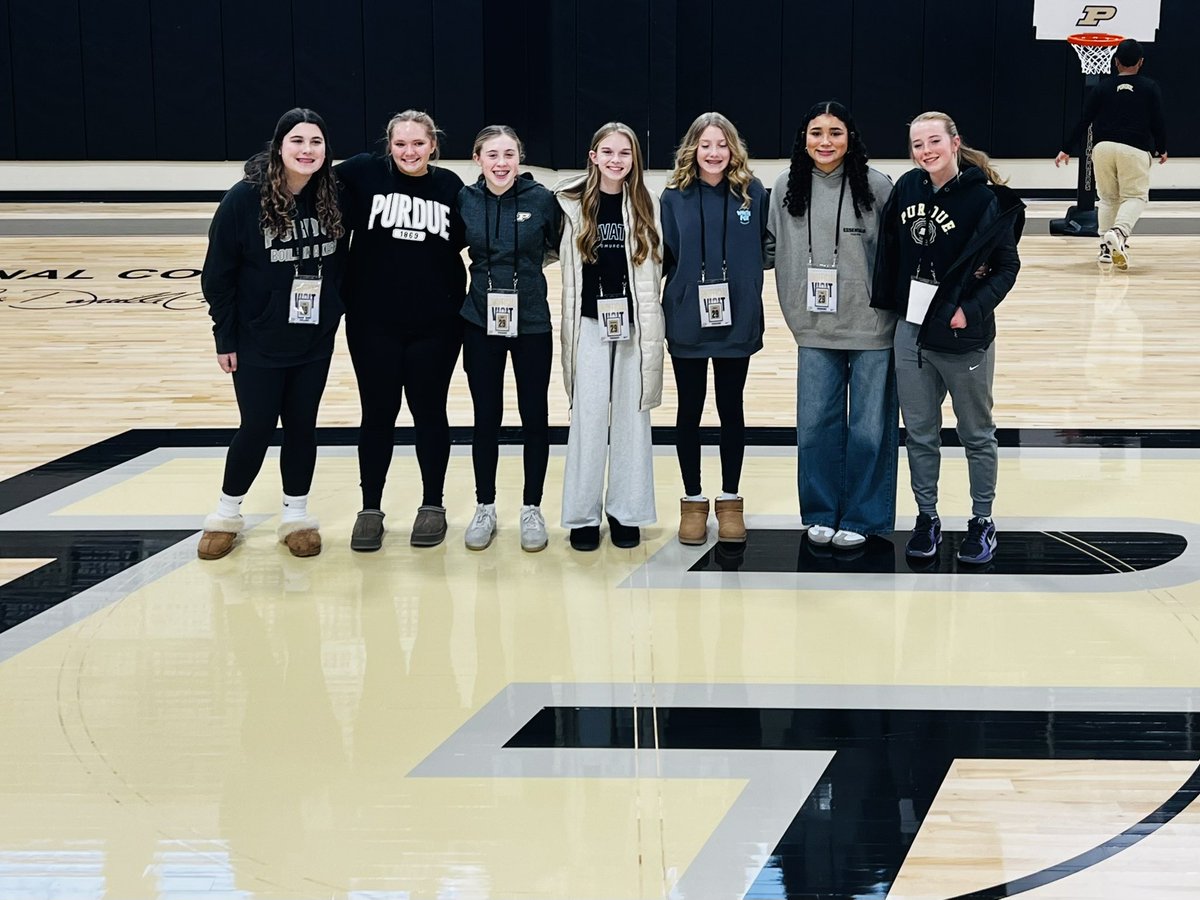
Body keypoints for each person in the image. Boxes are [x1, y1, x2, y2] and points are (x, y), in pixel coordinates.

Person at [871, 111, 1024, 565]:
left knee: (976, 434)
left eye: (934, 141)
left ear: (955, 142)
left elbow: (1006, 267)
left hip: (964, 339)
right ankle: (927, 517)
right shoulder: (906, 189)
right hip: (913, 334)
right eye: (917, 144)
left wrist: (969, 310)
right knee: (920, 434)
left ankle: (981, 520)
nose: (925, 152)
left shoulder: (985, 199)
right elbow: (892, 255)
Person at [198, 108, 345, 560]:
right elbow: (217, 276)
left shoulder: (335, 194)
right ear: (279, 146)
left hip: (313, 337)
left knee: (302, 427)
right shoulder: (242, 200)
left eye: (316, 142)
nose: (307, 150)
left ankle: (296, 515)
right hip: (257, 338)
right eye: (297, 141)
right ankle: (226, 514)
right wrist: (226, 337)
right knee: (258, 426)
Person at [766, 100, 897, 550]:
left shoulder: (877, 187)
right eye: (817, 132)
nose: (826, 142)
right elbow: (766, 250)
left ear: (851, 138)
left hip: (872, 329)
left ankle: (863, 515)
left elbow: (897, 257)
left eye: (835, 132)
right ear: (803, 138)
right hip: (813, 328)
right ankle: (821, 511)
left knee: (868, 429)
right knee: (816, 425)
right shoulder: (785, 188)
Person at [337, 110, 466, 551]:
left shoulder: (450, 187)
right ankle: (370, 507)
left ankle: (433, 504)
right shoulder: (362, 173)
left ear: (434, 144)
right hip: (373, 324)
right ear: (388, 145)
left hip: (436, 326)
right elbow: (308, 174)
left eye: (418, 143)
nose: (409, 152)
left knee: (430, 412)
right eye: (400, 144)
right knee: (378, 414)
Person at [660, 112, 768, 545]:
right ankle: (692, 500)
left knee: (730, 408)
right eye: (705, 145)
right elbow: (666, 255)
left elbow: (766, 246)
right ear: (693, 148)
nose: (714, 153)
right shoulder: (672, 197)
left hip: (736, 318)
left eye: (721, 144)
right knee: (689, 409)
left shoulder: (752, 193)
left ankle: (729, 501)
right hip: (687, 318)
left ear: (733, 148)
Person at [556, 122, 664, 552]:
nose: (616, 160)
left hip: (635, 328)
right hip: (587, 324)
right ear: (593, 155)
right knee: (587, 418)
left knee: (632, 419)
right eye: (608, 151)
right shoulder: (568, 203)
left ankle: (626, 512)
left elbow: (664, 262)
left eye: (625, 153)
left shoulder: (648, 205)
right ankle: (583, 515)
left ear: (634, 159)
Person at [458, 125, 562, 552]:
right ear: (478, 160)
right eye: (492, 155)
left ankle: (531, 507)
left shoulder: (541, 200)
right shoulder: (464, 200)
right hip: (480, 320)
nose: (502, 163)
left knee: (534, 415)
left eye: (509, 155)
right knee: (487, 416)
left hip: (532, 321)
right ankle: (485, 506)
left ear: (520, 159)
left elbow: (557, 247)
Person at [1055, 38, 1168, 270]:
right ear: (1141, 62)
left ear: (1115, 62)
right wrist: (1162, 147)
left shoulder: (1102, 88)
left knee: (1107, 198)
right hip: (1134, 148)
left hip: (1102, 148)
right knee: (1135, 196)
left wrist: (1066, 148)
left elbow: (1084, 120)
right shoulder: (1149, 87)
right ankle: (1119, 233)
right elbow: (1158, 121)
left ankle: (1106, 249)